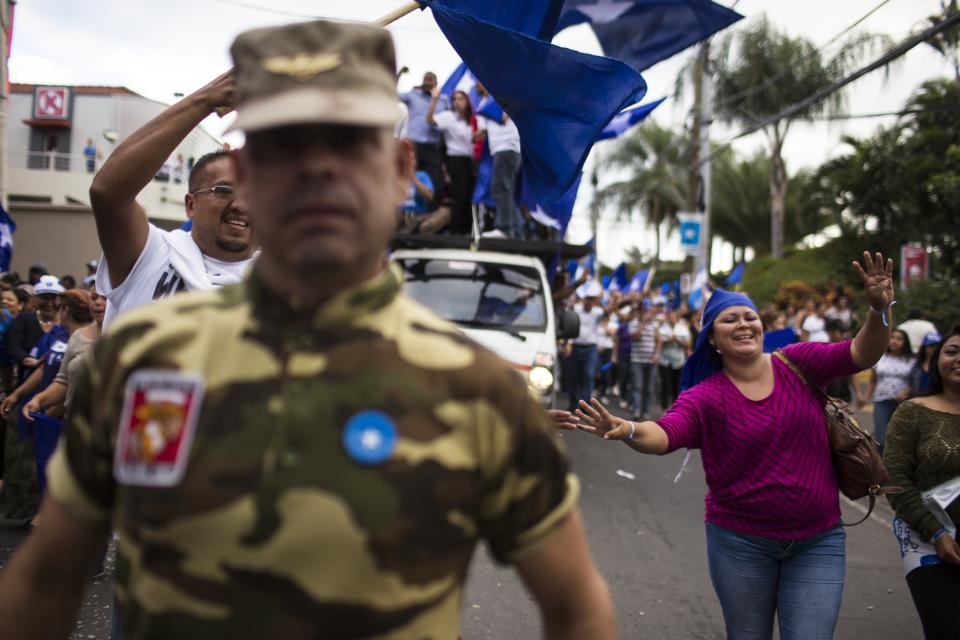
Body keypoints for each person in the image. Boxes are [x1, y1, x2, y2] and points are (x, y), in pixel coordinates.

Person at [0, 20, 614, 640]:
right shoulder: (141, 358)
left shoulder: (477, 389)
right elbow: (46, 583)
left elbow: (577, 609)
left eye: (348, 150)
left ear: (398, 171)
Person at [574, 252, 896, 640]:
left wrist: (879, 310)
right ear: (712, 337)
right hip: (741, 546)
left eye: (750, 316)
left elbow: (864, 352)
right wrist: (626, 428)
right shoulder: (705, 397)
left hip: (819, 541)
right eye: (730, 318)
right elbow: (665, 434)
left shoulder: (798, 362)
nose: (744, 323)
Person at [89, 70, 257, 326]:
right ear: (191, 205)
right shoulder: (152, 254)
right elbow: (108, 192)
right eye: (223, 191)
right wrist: (205, 100)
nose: (241, 205)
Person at [884, 326, 960, 639]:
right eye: (952, 351)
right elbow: (894, 479)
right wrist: (937, 533)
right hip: (929, 541)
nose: (959, 359)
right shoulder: (913, 412)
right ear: (934, 360)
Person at [858, 328, 914, 454]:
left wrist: (908, 391)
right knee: (881, 439)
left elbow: (916, 382)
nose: (894, 341)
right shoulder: (881, 357)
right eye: (892, 337)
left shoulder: (911, 360)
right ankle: (880, 466)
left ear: (905, 342)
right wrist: (866, 397)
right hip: (881, 401)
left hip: (903, 404)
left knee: (900, 438)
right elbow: (873, 380)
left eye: (899, 339)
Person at [427, 88, 475, 234]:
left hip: (471, 161)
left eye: (461, 99)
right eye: (454, 99)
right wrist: (434, 100)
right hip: (455, 159)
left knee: (470, 195)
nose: (457, 102)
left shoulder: (472, 119)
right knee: (458, 195)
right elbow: (430, 120)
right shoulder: (448, 116)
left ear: (467, 101)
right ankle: (456, 231)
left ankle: (468, 229)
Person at [400, 71, 447, 209]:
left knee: (434, 180)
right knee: (410, 177)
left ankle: (430, 212)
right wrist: (399, 75)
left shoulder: (443, 100)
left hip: (433, 146)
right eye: (426, 80)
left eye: (431, 80)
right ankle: (408, 212)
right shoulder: (413, 95)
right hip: (413, 144)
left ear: (436, 83)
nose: (428, 83)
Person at [476, 101, 522, 239]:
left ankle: (504, 228)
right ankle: (516, 229)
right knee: (505, 190)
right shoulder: (487, 103)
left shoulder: (504, 93)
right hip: (503, 149)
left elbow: (504, 117)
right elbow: (483, 131)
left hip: (507, 146)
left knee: (499, 188)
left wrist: (492, 111)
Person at [568, 282, 603, 411]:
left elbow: (609, 311)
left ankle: (585, 407)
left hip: (590, 349)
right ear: (584, 299)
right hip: (575, 347)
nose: (589, 302)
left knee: (588, 376)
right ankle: (573, 404)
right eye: (587, 299)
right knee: (573, 377)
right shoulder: (575, 309)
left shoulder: (597, 312)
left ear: (594, 301)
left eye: (592, 299)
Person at [656, 310, 690, 411]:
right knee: (665, 385)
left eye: (673, 317)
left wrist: (677, 340)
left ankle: (675, 409)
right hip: (664, 361)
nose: (671, 319)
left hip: (678, 362)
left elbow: (688, 344)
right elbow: (657, 343)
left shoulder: (683, 328)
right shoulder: (662, 329)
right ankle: (664, 408)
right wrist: (667, 341)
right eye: (669, 317)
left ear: (676, 318)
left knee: (677, 386)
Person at [629, 306, 658, 419]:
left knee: (648, 388)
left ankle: (645, 412)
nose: (647, 315)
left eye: (648, 312)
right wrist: (643, 325)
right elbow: (635, 336)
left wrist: (656, 354)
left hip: (651, 361)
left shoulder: (654, 325)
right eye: (644, 312)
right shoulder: (634, 323)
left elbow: (658, 340)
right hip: (637, 360)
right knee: (637, 386)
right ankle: (636, 411)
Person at [912, 331, 942, 396]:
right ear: (924, 347)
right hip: (917, 399)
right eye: (931, 345)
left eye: (937, 345)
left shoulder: (944, 365)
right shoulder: (916, 364)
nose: (934, 348)